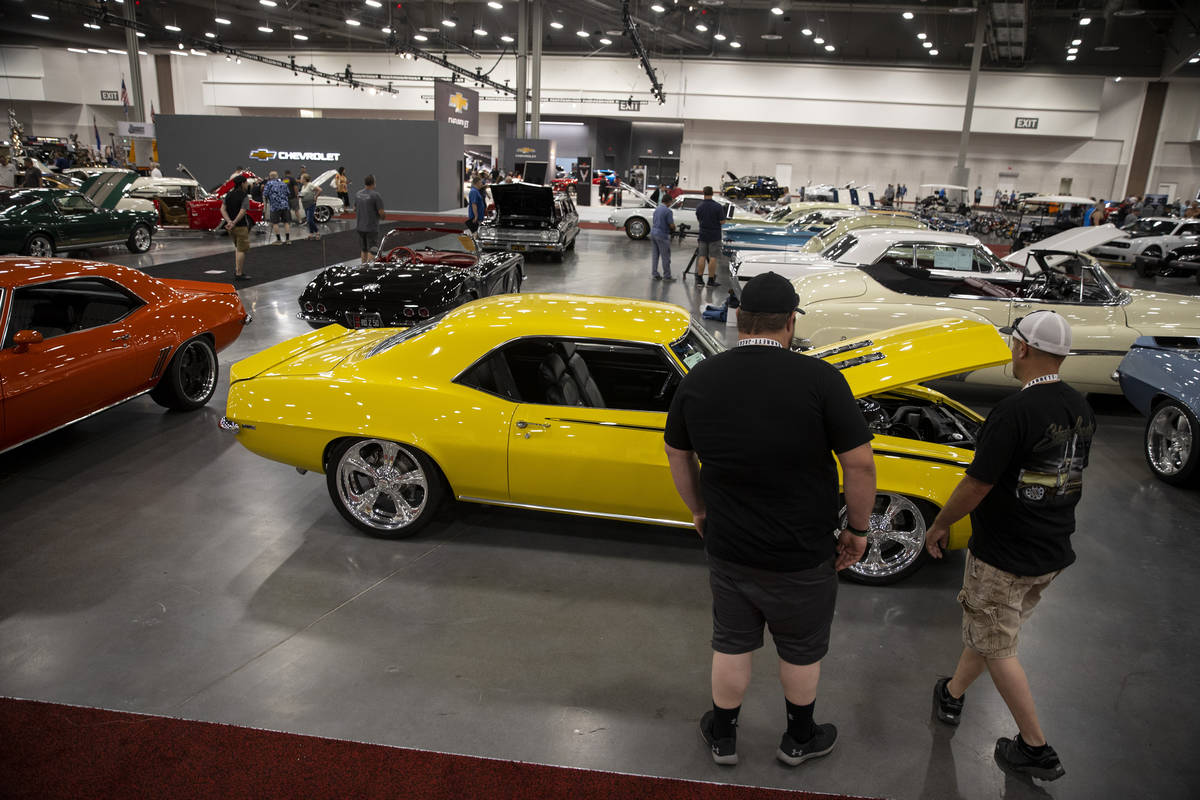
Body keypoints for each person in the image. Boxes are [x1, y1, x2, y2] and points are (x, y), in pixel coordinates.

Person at [664, 271, 876, 768]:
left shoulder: (701, 379)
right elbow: (860, 463)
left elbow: (677, 453)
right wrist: (858, 531)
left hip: (731, 547)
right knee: (800, 647)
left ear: (739, 320)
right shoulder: (821, 379)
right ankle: (800, 738)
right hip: (802, 553)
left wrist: (698, 510)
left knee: (732, 642)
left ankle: (723, 736)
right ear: (791, 321)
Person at [926, 310, 1095, 783]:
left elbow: (977, 484)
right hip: (1052, 548)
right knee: (992, 629)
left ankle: (1035, 748)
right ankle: (953, 693)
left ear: (1021, 348)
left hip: (1005, 554)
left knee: (999, 646)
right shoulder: (1080, 405)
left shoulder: (1014, 411)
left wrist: (940, 524)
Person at [220, 174, 253, 281]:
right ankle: (239, 273)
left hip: (231, 228)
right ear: (242, 183)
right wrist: (234, 222)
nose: (247, 184)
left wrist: (229, 221)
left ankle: (237, 269)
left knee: (237, 248)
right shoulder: (244, 196)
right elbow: (243, 211)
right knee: (241, 250)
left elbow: (222, 209)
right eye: (246, 182)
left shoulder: (228, 195)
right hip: (241, 226)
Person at [693, 186, 725, 288]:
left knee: (702, 256)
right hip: (714, 236)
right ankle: (710, 281)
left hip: (703, 235)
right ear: (712, 193)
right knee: (713, 258)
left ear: (703, 193)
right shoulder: (718, 207)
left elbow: (699, 220)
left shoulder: (699, 206)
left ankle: (699, 280)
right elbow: (722, 221)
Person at [355, 174, 384, 264]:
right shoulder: (376, 196)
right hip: (371, 227)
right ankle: (369, 268)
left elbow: (354, 208)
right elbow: (381, 213)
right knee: (373, 249)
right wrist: (382, 217)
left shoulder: (358, 194)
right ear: (374, 183)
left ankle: (363, 267)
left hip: (360, 227)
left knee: (363, 249)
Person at [649, 195, 675, 281]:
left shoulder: (657, 209)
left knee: (655, 255)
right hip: (662, 235)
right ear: (668, 202)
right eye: (671, 202)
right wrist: (674, 228)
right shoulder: (668, 211)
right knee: (665, 256)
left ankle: (655, 274)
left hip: (653, 233)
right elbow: (671, 225)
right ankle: (667, 276)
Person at [262, 170, 292, 245]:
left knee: (275, 223)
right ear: (277, 176)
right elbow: (288, 193)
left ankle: (279, 240)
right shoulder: (283, 183)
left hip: (275, 206)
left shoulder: (269, 183)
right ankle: (288, 239)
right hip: (285, 205)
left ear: (270, 177)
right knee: (286, 222)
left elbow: (265, 194)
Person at [299, 172, 322, 240]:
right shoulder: (303, 186)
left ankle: (317, 232)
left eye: (301, 178)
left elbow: (320, 190)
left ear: (305, 179)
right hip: (305, 204)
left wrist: (316, 197)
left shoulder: (310, 185)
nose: (300, 179)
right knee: (309, 220)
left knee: (309, 220)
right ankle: (311, 234)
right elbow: (304, 194)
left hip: (311, 204)